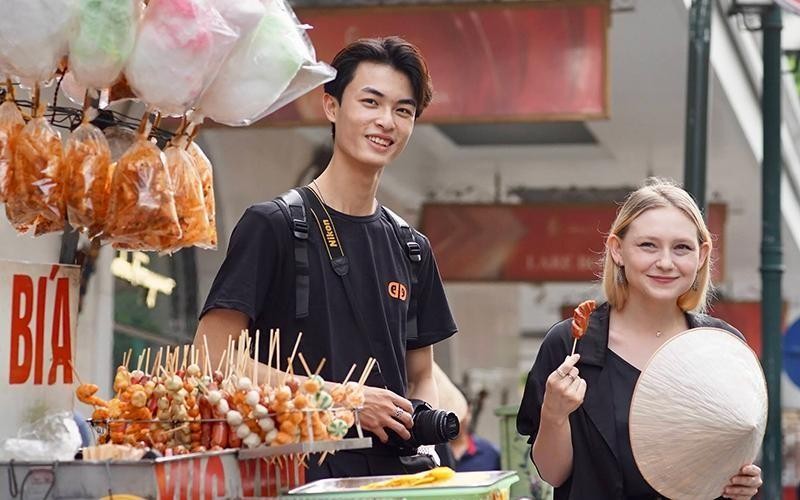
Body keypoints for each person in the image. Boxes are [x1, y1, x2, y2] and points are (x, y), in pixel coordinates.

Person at [195, 36, 458, 479]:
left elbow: (420, 375)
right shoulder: (273, 224)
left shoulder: (412, 247)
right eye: (370, 102)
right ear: (332, 106)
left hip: (394, 481)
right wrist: (345, 399)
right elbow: (211, 357)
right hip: (292, 475)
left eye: (403, 110)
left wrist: (425, 428)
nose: (385, 122)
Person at [516, 178, 763, 499]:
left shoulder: (722, 347)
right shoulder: (569, 345)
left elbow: (734, 460)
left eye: (682, 248)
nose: (665, 262)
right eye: (648, 245)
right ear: (617, 250)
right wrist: (554, 413)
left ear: (702, 256)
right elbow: (554, 473)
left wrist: (743, 485)